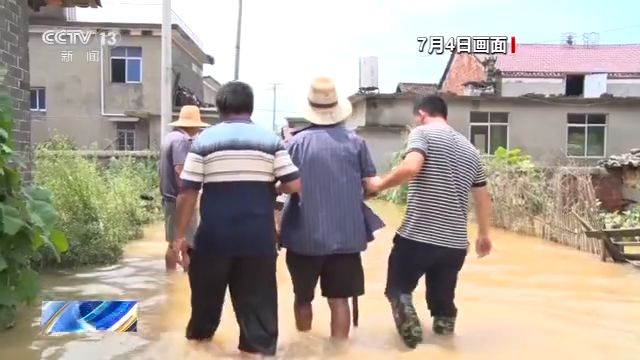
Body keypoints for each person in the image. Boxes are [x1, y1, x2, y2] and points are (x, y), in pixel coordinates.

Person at [173, 81, 301, 357]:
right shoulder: (271, 141)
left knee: (203, 317)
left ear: (220, 108)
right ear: (251, 107)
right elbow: (294, 184)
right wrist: (272, 186)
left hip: (213, 242)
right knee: (258, 325)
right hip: (258, 243)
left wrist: (179, 236)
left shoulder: (203, 142)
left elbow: (187, 193)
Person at [366, 95, 492, 349]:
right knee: (443, 303)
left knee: (398, 290)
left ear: (422, 114)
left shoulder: (423, 133)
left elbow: (411, 167)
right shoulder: (471, 150)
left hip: (418, 237)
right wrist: (484, 235)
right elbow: (481, 196)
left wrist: (379, 184)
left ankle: (411, 344)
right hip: (455, 245)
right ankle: (445, 345)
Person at [279, 76, 383, 340]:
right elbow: (371, 185)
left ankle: (304, 347)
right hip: (346, 239)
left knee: (303, 299)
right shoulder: (355, 142)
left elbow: (282, 186)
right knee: (340, 301)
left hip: (304, 238)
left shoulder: (294, 144)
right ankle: (339, 353)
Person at [158, 105, 208, 271]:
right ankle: (176, 278)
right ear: (193, 125)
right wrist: (190, 198)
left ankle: (172, 278)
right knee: (181, 243)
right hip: (179, 199)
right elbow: (180, 171)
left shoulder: (170, 137)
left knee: (177, 241)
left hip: (169, 198)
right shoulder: (181, 141)